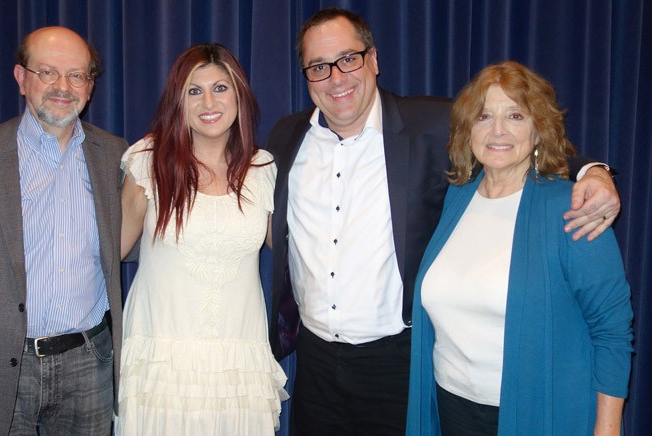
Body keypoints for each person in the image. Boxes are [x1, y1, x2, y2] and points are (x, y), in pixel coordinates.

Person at [264, 7, 621, 435]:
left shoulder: (429, 124)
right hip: (316, 360)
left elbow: (507, 138)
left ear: (373, 60)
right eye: (319, 67)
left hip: (397, 362)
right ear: (306, 75)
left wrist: (591, 171)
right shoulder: (287, 137)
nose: (336, 78)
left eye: (348, 58)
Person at [0, 27, 127, 435]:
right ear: (21, 78)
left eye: (77, 75)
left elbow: (136, 244)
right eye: (48, 72)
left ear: (90, 85)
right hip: (0, 369)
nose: (63, 87)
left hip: (92, 364)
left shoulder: (117, 157)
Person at [406, 60, 633, 435]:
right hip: (451, 408)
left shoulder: (572, 208)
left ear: (538, 129)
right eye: (483, 117)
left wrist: (607, 429)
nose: (498, 130)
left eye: (515, 115)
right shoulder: (456, 197)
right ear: (468, 130)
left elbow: (612, 331)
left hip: (537, 411)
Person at [116, 43, 288, 436]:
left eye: (220, 88)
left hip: (237, 367)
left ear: (239, 95)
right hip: (163, 367)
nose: (208, 101)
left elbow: (293, 254)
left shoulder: (263, 170)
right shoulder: (149, 161)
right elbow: (111, 252)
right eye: (194, 91)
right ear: (179, 101)